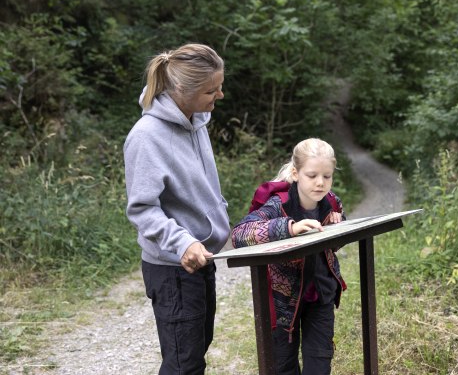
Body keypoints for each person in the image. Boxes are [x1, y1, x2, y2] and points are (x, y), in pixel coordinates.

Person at [123, 43, 229, 375]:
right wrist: (183, 243)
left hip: (200, 263)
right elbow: (142, 209)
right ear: (181, 90)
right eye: (211, 90)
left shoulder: (197, 121)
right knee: (184, 365)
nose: (220, 95)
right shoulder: (146, 137)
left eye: (220, 86)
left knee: (195, 352)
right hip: (172, 270)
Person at [231, 138, 347, 375]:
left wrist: (338, 222)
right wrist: (290, 228)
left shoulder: (332, 203)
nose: (320, 182)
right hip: (283, 302)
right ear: (295, 173)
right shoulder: (277, 205)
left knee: (320, 362)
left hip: (321, 295)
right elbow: (239, 235)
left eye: (327, 176)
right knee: (283, 366)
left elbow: (334, 242)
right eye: (312, 175)